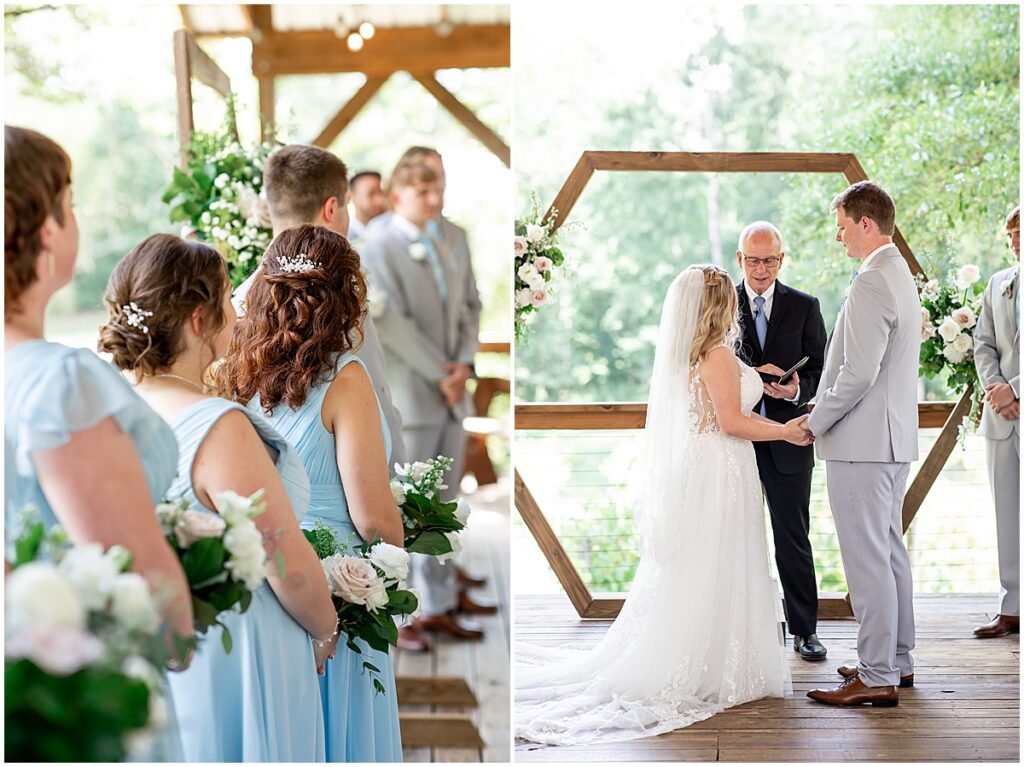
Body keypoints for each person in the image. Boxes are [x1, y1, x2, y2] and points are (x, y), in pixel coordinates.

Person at [515, 265, 809, 745]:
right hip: (720, 466)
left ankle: (712, 653)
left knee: (704, 563)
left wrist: (755, 374)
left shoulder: (697, 354)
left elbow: (718, 396)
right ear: (720, 307)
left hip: (709, 466)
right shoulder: (714, 356)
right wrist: (784, 430)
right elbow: (732, 421)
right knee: (717, 561)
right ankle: (713, 664)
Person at [98, 234, 338, 761]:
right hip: (241, 648)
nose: (239, 310)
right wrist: (325, 630)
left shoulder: (112, 414)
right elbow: (285, 560)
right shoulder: (216, 425)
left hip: (161, 643)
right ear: (198, 319)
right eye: (229, 297)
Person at [4, 125, 193, 759]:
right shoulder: (60, 383)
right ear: (49, 230)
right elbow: (154, 599)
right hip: (72, 712)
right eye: (71, 200)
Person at [217, 224, 404, 762]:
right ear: (345, 297)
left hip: (264, 586)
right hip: (339, 594)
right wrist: (400, 548)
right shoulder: (347, 380)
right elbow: (373, 520)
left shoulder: (232, 375)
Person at [361, 159, 488, 642]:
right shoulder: (375, 245)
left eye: (439, 189)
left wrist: (464, 363)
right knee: (405, 509)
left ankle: (439, 603)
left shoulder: (454, 237)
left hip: (454, 392)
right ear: (397, 196)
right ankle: (403, 612)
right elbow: (390, 324)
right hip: (412, 395)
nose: (434, 200)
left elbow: (472, 304)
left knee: (446, 507)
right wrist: (441, 373)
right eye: (423, 192)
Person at [805, 181, 920, 707]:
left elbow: (858, 373)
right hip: (890, 442)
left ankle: (875, 677)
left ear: (866, 223)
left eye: (844, 225)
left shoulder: (872, 281)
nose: (839, 235)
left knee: (868, 561)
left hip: (861, 443)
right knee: (890, 554)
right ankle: (895, 660)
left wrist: (815, 419)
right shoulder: (899, 273)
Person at [232, 144, 406, 467]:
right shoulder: (338, 297)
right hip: (346, 484)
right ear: (330, 209)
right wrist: (399, 476)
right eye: (347, 206)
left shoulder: (240, 299)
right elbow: (375, 391)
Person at [734, 221, 828, 661]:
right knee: (733, 539)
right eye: (753, 260)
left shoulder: (806, 306)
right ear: (740, 260)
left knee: (793, 537)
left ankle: (805, 631)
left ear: (781, 259)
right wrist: (752, 381)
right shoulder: (721, 304)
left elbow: (822, 372)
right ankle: (736, 633)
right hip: (734, 444)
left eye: (769, 259)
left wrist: (793, 390)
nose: (761, 268)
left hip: (790, 441)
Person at [972, 204, 1020, 639]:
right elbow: (982, 343)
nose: (1016, 241)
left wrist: (1016, 388)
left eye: (1021, 232)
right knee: (1006, 512)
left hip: (1014, 401)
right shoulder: (998, 283)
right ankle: (1012, 607)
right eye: (1011, 235)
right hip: (1001, 417)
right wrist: (996, 387)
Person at [348, 170, 387, 246]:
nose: (380, 200)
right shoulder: (346, 239)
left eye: (382, 193)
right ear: (352, 197)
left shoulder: (393, 231)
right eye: (371, 194)